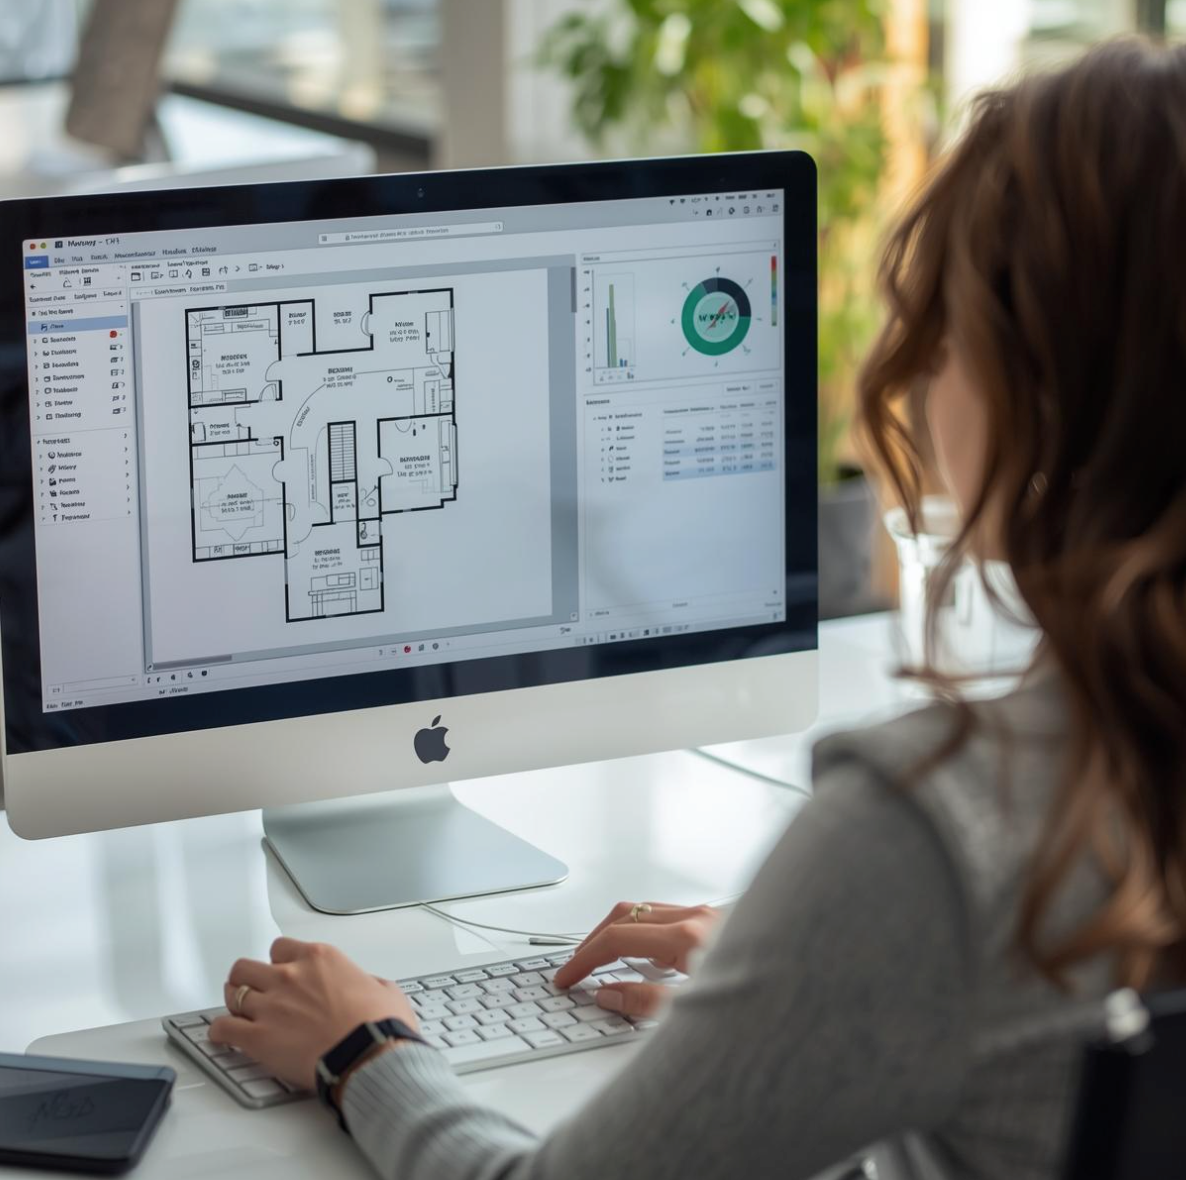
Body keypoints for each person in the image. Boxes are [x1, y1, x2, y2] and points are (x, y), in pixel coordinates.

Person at [208, 37, 1186, 1180]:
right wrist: (810, 988)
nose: (918, 378)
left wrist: (364, 1050)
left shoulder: (940, 832)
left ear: (1039, 382)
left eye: (948, 332)